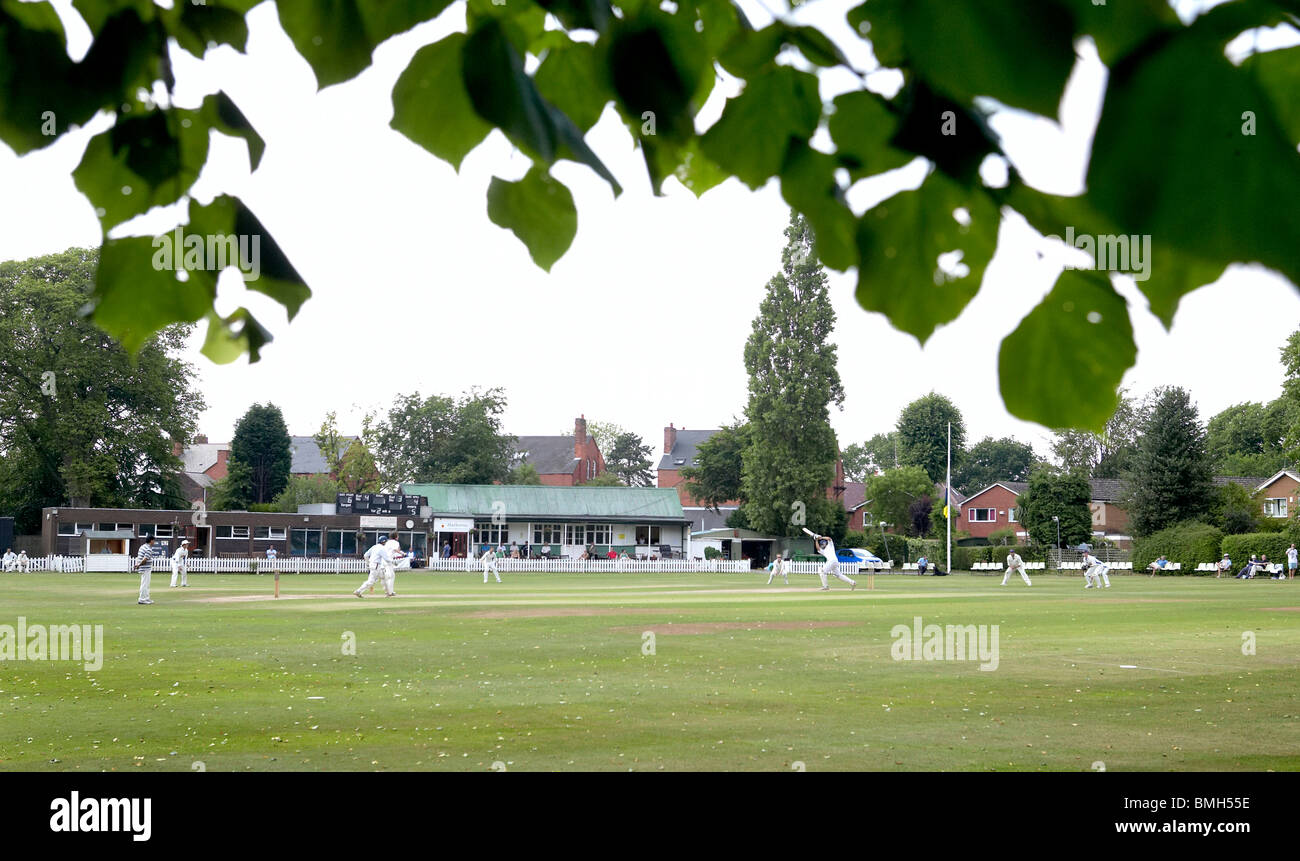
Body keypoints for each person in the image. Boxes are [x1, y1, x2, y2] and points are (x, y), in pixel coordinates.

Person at [133, 536, 156, 605]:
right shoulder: (148, 549)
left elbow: (140, 557)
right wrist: (139, 565)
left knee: (146, 584)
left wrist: (138, 565)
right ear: (151, 541)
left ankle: (146, 598)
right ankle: (142, 599)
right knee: (145, 584)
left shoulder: (142, 546)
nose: (154, 542)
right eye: (154, 541)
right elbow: (145, 560)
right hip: (145, 568)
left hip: (144, 568)